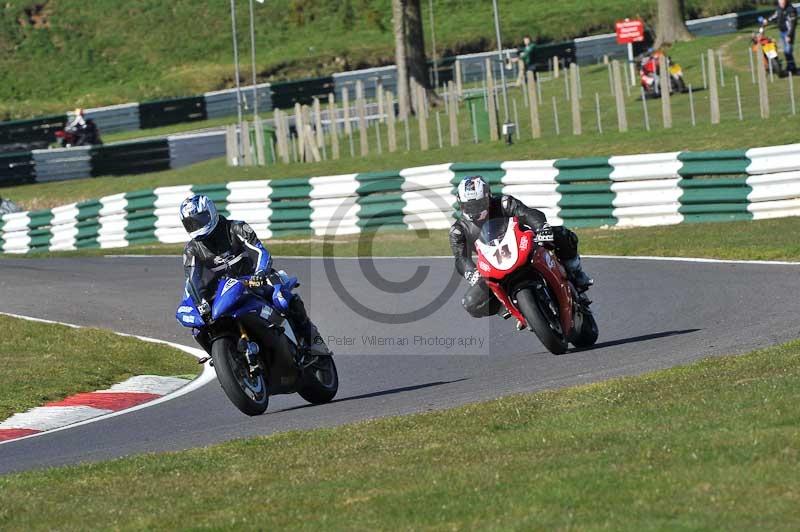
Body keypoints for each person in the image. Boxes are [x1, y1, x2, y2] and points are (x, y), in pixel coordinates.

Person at [179, 194, 331, 357]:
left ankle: (314, 342)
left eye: (200, 220)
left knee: (283, 300)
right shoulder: (192, 250)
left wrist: (260, 272)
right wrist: (199, 301)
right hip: (223, 293)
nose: (196, 226)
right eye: (191, 224)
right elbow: (192, 278)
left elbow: (260, 251)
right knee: (198, 326)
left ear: (211, 212)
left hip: (255, 279)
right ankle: (223, 357)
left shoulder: (236, 228)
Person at [449, 175, 593, 320]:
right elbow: (461, 258)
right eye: (468, 206)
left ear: (488, 197)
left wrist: (541, 228)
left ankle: (576, 271)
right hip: (493, 264)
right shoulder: (459, 230)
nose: (473, 210)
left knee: (561, 234)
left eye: (478, 204)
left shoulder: (503, 203)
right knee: (470, 303)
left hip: (522, 244)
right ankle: (507, 307)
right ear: (460, 204)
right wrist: (471, 273)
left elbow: (527, 213)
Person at [768, 0, 798, 74]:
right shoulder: (779, 8)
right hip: (782, 32)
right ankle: (791, 67)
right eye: (780, 1)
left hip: (788, 33)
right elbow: (775, 15)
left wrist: (789, 35)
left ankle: (792, 68)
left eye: (783, 1)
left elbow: (793, 24)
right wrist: (767, 20)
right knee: (785, 51)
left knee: (788, 51)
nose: (781, 3)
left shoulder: (791, 10)